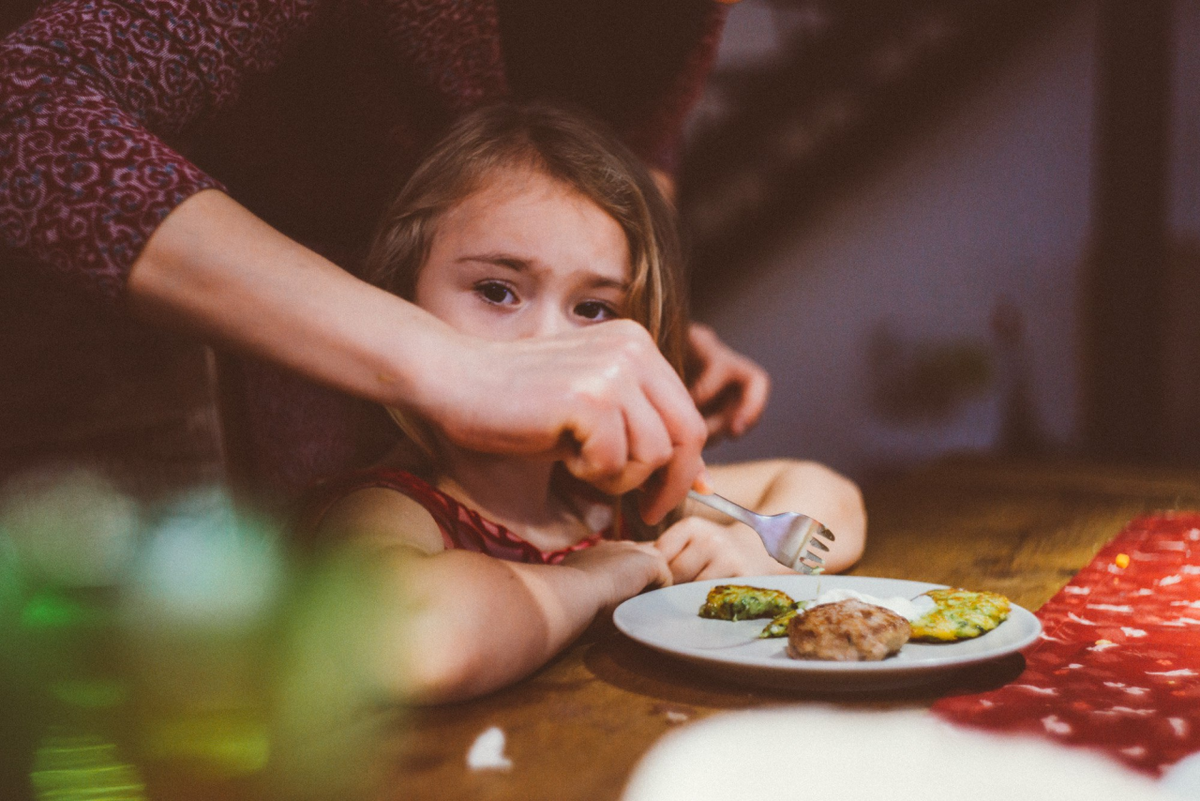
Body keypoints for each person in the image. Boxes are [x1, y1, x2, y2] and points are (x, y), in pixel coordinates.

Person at [0, 1, 767, 522]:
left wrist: (634, 317)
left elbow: (633, 135)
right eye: (503, 292)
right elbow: (27, 109)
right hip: (116, 369)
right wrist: (454, 363)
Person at [300, 103, 866, 703]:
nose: (551, 345)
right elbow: (419, 638)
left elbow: (830, 496)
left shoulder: (607, 504)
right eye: (497, 291)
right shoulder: (391, 509)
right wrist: (587, 584)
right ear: (398, 301)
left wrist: (747, 552)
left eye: (593, 309)